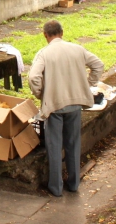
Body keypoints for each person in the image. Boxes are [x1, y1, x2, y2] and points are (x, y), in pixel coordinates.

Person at [28, 20, 104, 197]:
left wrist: (40, 94)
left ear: (45, 35)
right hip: (75, 104)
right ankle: (74, 183)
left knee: (54, 146)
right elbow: (98, 65)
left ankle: (55, 187)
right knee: (73, 144)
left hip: (54, 105)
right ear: (62, 33)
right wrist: (87, 84)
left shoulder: (44, 53)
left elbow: (33, 77)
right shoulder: (77, 49)